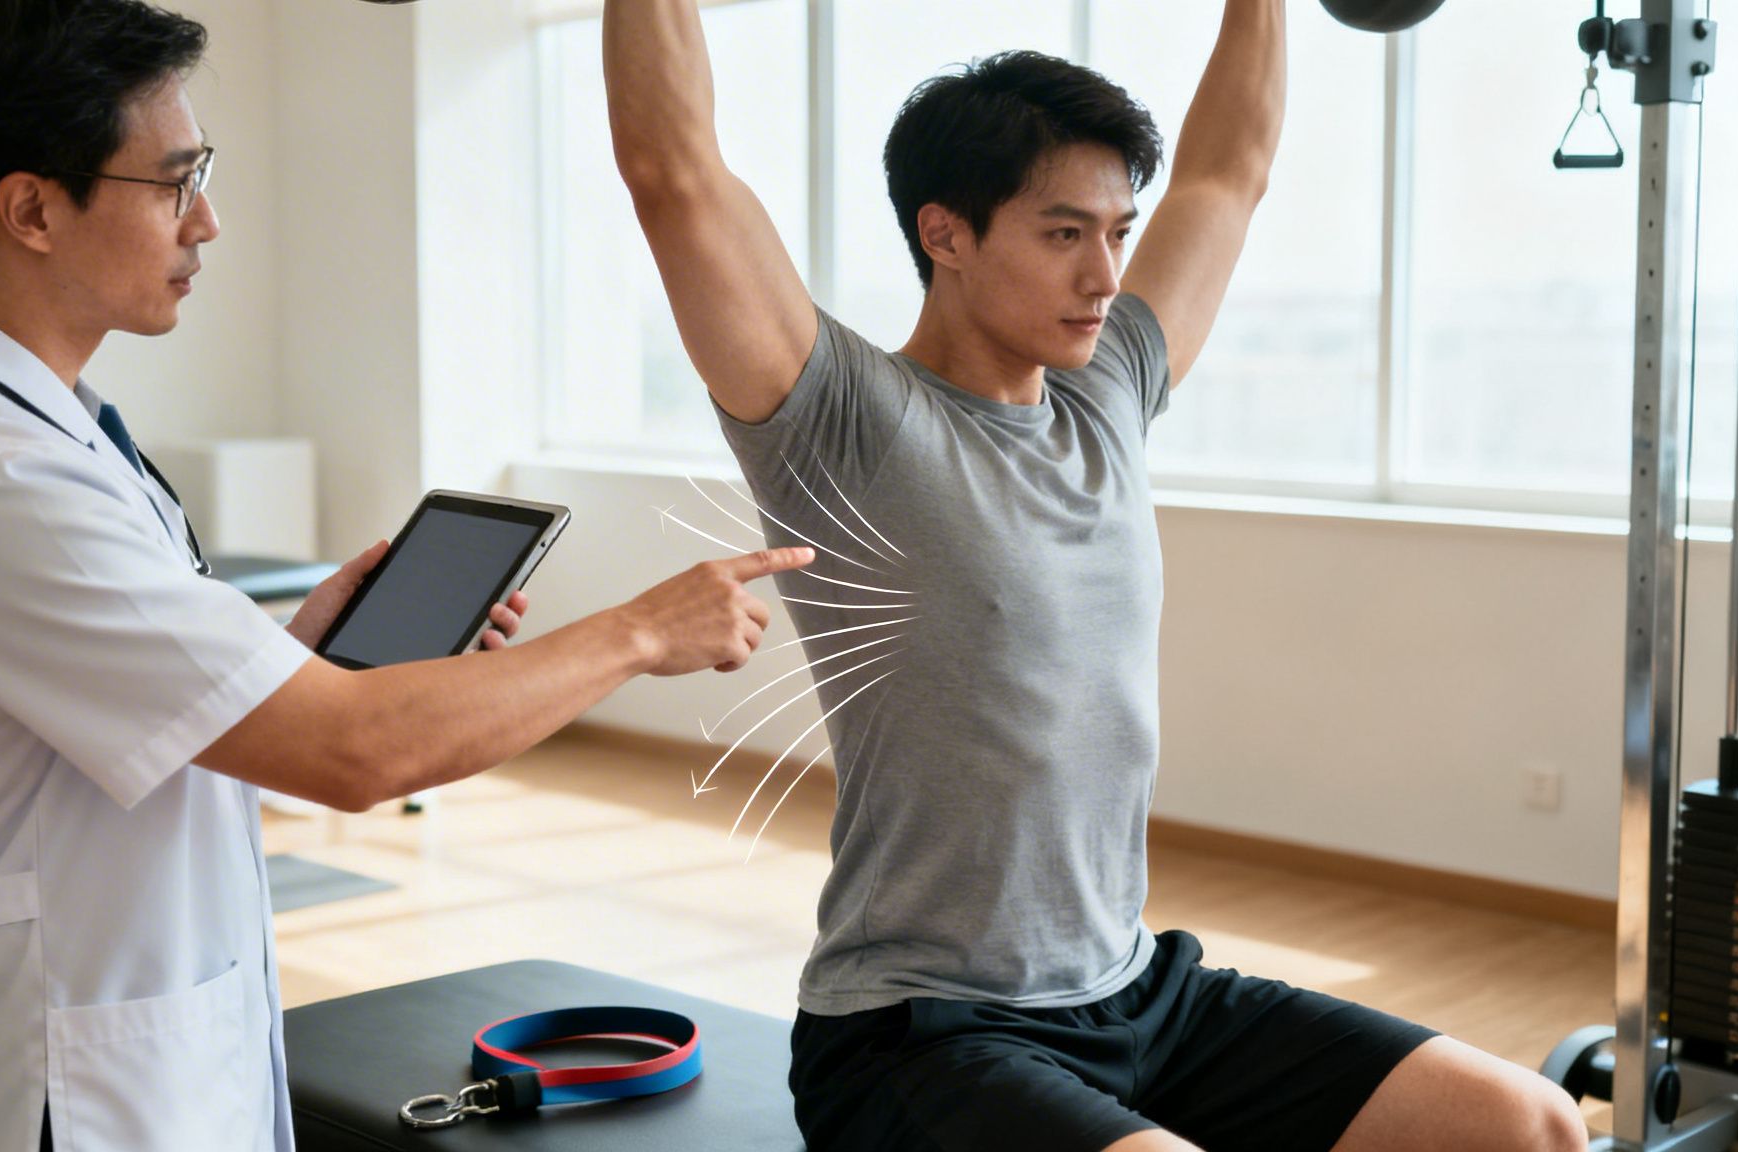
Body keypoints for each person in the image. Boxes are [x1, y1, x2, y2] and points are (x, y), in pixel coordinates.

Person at [0, 1, 810, 1149]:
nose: (209, 221)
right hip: (53, 1089)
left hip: (115, 1041)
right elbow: (354, 752)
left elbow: (101, 727)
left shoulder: (28, 426)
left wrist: (282, 662)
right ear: (32, 208)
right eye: (174, 181)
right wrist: (638, 634)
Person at [604, 2, 1587, 1150]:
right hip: (921, 1032)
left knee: (1533, 1125)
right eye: (1064, 233)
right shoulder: (840, 421)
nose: (1106, 273)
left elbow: (1227, 174)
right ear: (947, 234)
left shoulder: (1106, 395)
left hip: (1139, 994)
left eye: (1118, 231)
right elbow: (671, 170)